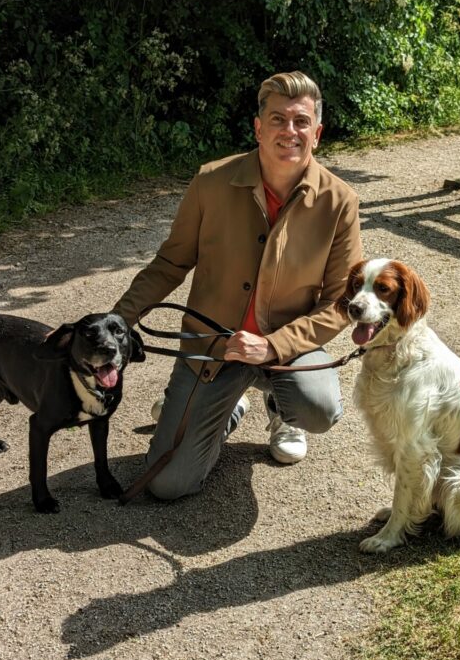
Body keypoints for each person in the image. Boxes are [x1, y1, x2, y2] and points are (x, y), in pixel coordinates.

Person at [112, 71, 362, 499]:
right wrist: (118, 319)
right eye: (278, 119)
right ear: (258, 128)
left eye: (301, 121)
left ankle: (281, 409)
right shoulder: (211, 182)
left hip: (286, 351)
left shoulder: (340, 202)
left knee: (318, 409)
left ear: (317, 134)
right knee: (168, 485)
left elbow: (340, 302)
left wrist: (274, 346)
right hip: (212, 349)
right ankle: (230, 405)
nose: (290, 131)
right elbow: (171, 262)